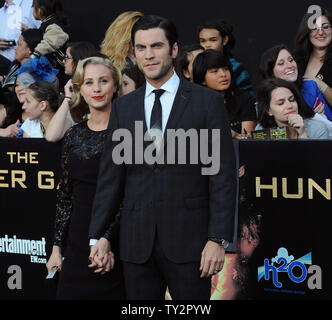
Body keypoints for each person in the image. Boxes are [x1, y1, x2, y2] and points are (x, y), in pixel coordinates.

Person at [88, 15, 237, 300]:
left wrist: (217, 239)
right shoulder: (123, 107)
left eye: (156, 46)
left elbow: (222, 175)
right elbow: (111, 178)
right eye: (141, 48)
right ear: (133, 53)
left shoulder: (206, 102)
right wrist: (99, 235)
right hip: (136, 245)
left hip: (192, 244)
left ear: (174, 49)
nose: (149, 55)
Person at [45, 56, 125, 300]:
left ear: (115, 86)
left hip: (117, 244)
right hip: (77, 244)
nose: (97, 89)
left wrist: (107, 238)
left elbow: (130, 194)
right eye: (89, 82)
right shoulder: (74, 135)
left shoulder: (128, 133)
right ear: (80, 88)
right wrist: (57, 248)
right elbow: (65, 196)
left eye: (104, 81)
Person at [258, 44, 332, 138]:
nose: (290, 65)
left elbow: (328, 123)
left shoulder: (310, 87)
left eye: (291, 60)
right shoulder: (264, 103)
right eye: (281, 63)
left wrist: (317, 119)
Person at [193, 49, 257, 134]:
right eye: (215, 71)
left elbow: (246, 139)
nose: (223, 74)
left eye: (226, 69)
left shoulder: (244, 98)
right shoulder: (194, 104)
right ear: (202, 79)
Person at [45, 42, 98, 142]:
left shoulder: (98, 95)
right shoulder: (72, 96)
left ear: (79, 61)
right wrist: (67, 98)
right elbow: (51, 136)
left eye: (67, 57)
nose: (64, 61)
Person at [197, 18, 254, 96]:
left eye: (213, 40)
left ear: (224, 40)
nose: (207, 45)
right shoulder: (196, 66)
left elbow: (249, 100)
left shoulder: (236, 68)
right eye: (203, 41)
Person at [256, 78, 329, 139]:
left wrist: (303, 134)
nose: (290, 106)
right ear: (269, 110)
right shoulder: (261, 130)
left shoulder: (318, 128)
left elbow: (314, 156)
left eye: (292, 100)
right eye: (281, 103)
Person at [0, 28, 43, 129]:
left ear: (29, 51)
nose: (15, 48)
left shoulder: (38, 70)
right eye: (18, 84)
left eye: (19, 44)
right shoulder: (14, 64)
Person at [294, 6, 332, 111]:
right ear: (307, 31)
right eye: (314, 28)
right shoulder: (297, 60)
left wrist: (319, 83)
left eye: (326, 27)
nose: (320, 32)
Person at [31, 0, 70, 90]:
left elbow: (52, 40)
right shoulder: (50, 23)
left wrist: (36, 53)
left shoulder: (53, 24)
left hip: (59, 71)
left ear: (40, 10)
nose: (32, 9)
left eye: (33, 6)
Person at [0, 0, 41, 76]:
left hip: (23, 67)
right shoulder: (1, 11)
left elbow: (45, 34)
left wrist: (28, 31)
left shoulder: (32, 4)